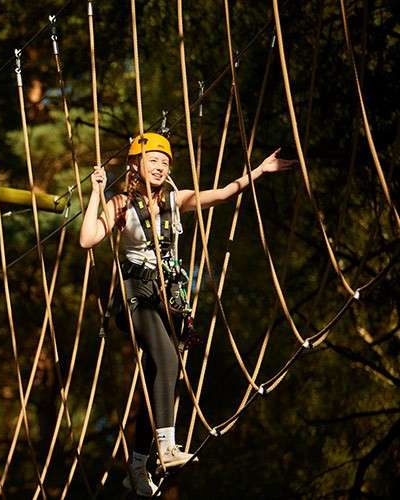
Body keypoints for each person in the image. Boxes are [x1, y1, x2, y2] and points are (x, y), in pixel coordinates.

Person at [79, 132, 294, 496]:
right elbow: (87, 240)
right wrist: (97, 192)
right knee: (167, 361)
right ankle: (166, 448)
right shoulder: (120, 204)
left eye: (165, 163)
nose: (161, 167)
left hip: (166, 300)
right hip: (136, 297)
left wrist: (259, 170)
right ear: (135, 165)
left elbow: (224, 193)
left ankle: (137, 463)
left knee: (157, 379)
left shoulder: (176, 201)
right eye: (153, 161)